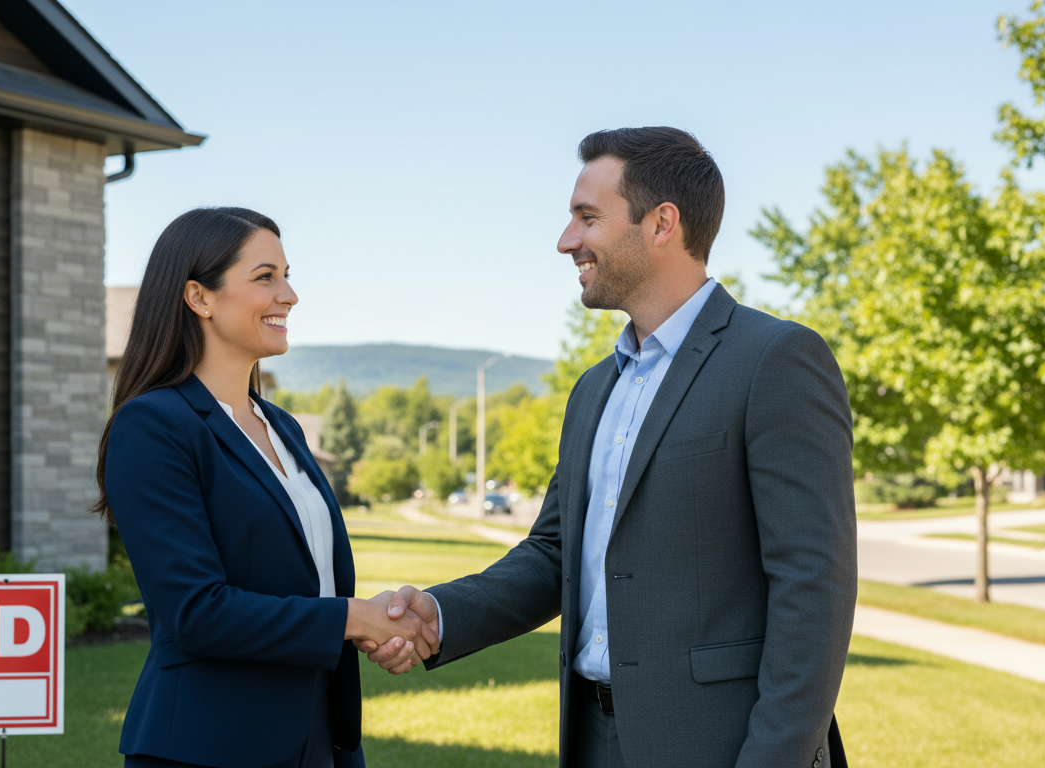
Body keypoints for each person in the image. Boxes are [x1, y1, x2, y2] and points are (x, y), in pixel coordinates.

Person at [360, 128, 857, 768]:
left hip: (722, 745)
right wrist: (437, 614)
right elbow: (552, 555)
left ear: (662, 223)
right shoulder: (594, 388)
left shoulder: (775, 361)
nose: (567, 240)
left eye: (586, 217)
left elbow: (814, 586)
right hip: (593, 740)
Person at [96, 207, 437, 768]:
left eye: (286, 274)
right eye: (265, 277)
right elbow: (196, 612)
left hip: (320, 736)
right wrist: (355, 617)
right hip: (209, 746)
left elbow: (306, 584)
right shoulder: (154, 426)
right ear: (198, 297)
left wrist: (371, 626)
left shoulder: (282, 426)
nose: (290, 294)